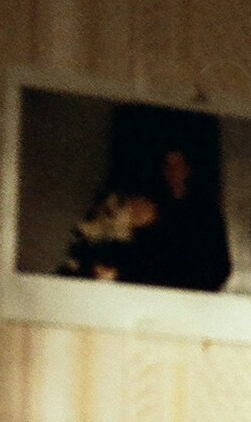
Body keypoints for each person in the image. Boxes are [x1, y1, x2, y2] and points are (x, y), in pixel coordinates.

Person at [59, 109, 231, 292]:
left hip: (186, 300)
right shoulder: (139, 205)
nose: (172, 171)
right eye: (167, 164)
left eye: (177, 164)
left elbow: (216, 269)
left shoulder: (205, 214)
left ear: (188, 168)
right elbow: (120, 257)